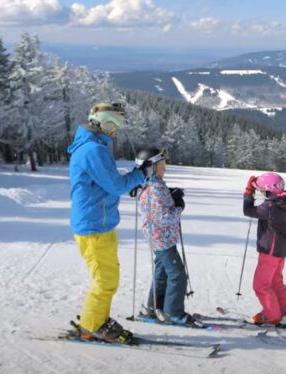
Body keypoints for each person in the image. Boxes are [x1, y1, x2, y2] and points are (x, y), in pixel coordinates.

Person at [67, 102, 148, 343]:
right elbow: (115, 185)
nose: (117, 128)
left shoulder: (94, 146)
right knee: (104, 280)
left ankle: (98, 319)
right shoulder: (93, 150)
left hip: (100, 223)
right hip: (93, 225)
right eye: (114, 122)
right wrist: (141, 174)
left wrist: (136, 177)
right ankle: (92, 325)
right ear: (101, 122)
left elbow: (106, 185)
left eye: (119, 122)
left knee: (108, 277)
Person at [134, 148, 203, 328]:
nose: (164, 167)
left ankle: (153, 307)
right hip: (161, 238)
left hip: (161, 238)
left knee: (162, 272)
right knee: (178, 275)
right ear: (151, 168)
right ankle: (173, 313)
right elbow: (164, 218)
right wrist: (179, 206)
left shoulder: (155, 185)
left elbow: (160, 207)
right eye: (161, 165)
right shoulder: (153, 190)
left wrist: (171, 196)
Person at [243, 172, 286, 325]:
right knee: (275, 282)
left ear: (269, 190)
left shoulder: (270, 206)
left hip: (270, 249)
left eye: (262, 190)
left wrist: (249, 192)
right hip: (280, 247)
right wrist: (256, 188)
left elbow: (248, 211)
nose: (261, 193)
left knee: (261, 285)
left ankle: (271, 315)